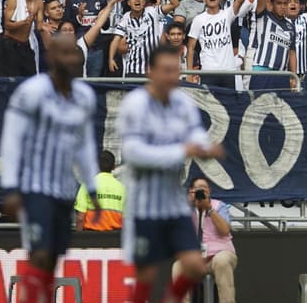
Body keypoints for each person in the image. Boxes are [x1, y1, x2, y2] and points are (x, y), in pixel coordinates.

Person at [117, 44, 225, 303]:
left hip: (174, 202)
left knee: (195, 267)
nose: (172, 77)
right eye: (166, 71)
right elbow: (132, 153)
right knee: (146, 275)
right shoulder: (134, 104)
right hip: (143, 204)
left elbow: (195, 131)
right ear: (150, 71)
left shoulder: (182, 102)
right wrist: (181, 151)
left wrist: (203, 146)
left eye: (175, 71)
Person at [0, 35, 102, 303]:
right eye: (66, 53)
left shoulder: (84, 96)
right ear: (51, 58)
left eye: (76, 53)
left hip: (65, 190)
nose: (73, 59)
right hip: (34, 188)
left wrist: (92, 187)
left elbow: (85, 145)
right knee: (40, 253)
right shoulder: (31, 92)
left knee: (53, 258)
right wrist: (10, 187)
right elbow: (12, 138)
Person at [187, 177, 238, 303]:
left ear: (209, 191)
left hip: (219, 254)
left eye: (204, 188)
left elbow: (225, 230)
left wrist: (209, 210)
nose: (201, 191)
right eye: (197, 189)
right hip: (195, 257)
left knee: (222, 261)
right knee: (178, 266)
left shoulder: (219, 206)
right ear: (190, 191)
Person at [75, 150, 126, 232]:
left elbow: (80, 218)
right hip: (115, 239)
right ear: (114, 167)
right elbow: (126, 221)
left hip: (91, 238)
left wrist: (79, 240)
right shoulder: (122, 189)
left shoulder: (87, 186)